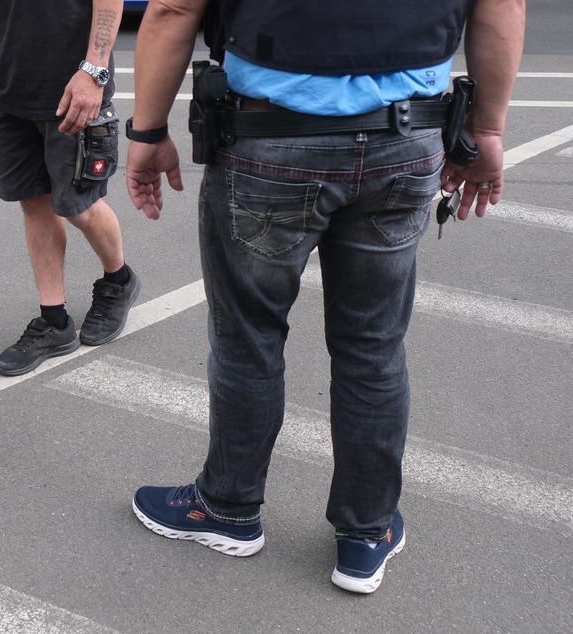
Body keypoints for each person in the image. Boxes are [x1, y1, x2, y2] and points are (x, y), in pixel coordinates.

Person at [124, 0, 525, 593]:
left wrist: (148, 132)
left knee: (248, 339)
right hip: (406, 140)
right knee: (373, 346)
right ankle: (366, 534)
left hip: (269, 140)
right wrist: (487, 130)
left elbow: (174, 8)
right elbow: (501, 7)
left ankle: (228, 508)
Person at [0, 0, 140, 376]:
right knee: (34, 201)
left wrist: (95, 69)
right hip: (8, 87)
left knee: (78, 205)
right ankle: (54, 322)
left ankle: (119, 280)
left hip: (73, 88)